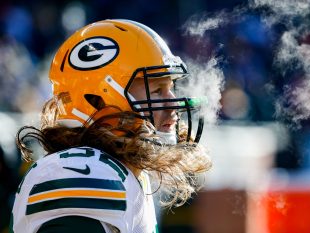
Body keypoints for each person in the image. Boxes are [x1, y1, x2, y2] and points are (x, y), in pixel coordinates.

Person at [11, 19, 211, 233]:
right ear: (97, 99)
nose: (172, 104)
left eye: (170, 88)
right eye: (156, 90)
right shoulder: (84, 171)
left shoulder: (120, 170)